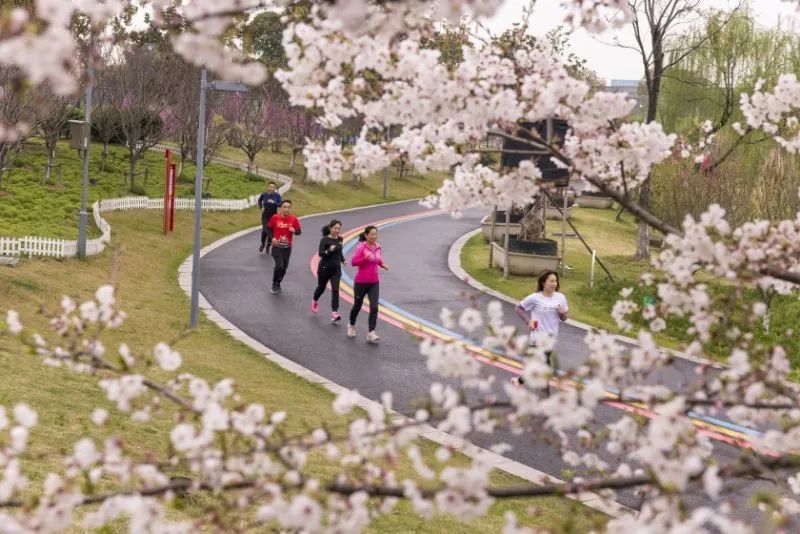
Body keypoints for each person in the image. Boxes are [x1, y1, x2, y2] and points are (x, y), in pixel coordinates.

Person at [511, 270, 569, 391]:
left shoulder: (560, 298)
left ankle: (519, 382)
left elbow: (563, 319)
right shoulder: (535, 298)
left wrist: (562, 313)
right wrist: (529, 322)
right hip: (537, 338)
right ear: (543, 282)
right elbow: (518, 308)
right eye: (551, 281)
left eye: (556, 281)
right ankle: (546, 397)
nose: (554, 283)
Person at [348, 225, 388, 343]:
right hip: (361, 282)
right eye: (372, 234)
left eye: (375, 234)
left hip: (374, 282)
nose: (374, 236)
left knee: (374, 307)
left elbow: (377, 259)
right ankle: (351, 325)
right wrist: (364, 258)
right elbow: (353, 262)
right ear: (366, 235)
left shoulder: (378, 247)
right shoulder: (361, 247)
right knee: (357, 306)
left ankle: (371, 331)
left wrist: (382, 264)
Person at [312, 219, 345, 321]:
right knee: (321, 288)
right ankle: (315, 300)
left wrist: (343, 260)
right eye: (335, 228)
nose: (337, 230)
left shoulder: (340, 239)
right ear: (330, 228)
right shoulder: (325, 240)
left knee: (335, 290)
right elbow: (320, 253)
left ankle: (334, 312)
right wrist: (329, 250)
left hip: (336, 269)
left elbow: (339, 251)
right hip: (324, 268)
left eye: (338, 229)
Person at [267, 200, 301, 294]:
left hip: (287, 248)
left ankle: (278, 282)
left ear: (290, 209)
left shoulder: (293, 219)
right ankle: (274, 284)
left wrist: (295, 231)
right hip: (276, 247)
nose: (286, 209)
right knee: (279, 266)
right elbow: (268, 228)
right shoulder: (275, 217)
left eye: (288, 207)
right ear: (281, 208)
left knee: (284, 268)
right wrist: (272, 238)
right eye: (284, 207)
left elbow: (299, 231)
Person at [257, 182, 282, 253]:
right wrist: (261, 207)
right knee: (265, 231)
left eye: (273, 187)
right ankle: (263, 244)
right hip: (265, 216)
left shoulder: (277, 196)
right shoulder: (264, 195)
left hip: (273, 217)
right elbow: (259, 201)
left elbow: (280, 204)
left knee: (271, 231)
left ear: (275, 188)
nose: (271, 188)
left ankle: (268, 246)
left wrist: (274, 202)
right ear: (268, 187)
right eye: (270, 187)